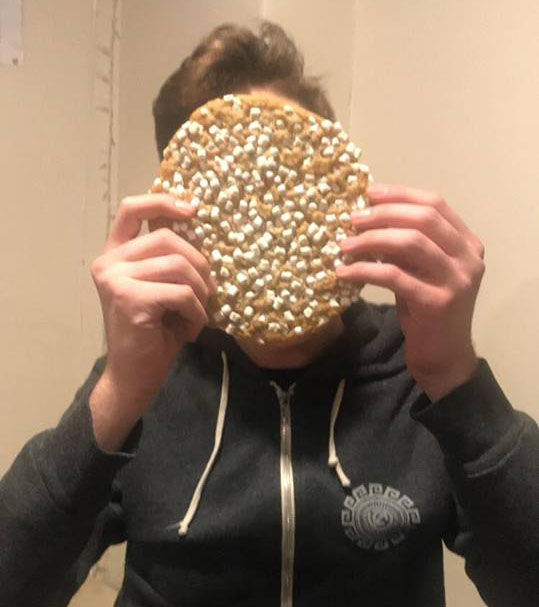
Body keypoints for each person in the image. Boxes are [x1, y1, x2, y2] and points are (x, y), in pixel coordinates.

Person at [0, 21, 537, 607]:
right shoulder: (149, 376)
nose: (268, 226)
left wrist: (458, 379)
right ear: (174, 218)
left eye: (286, 180)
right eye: (233, 196)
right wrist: (118, 393)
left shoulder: (418, 369)